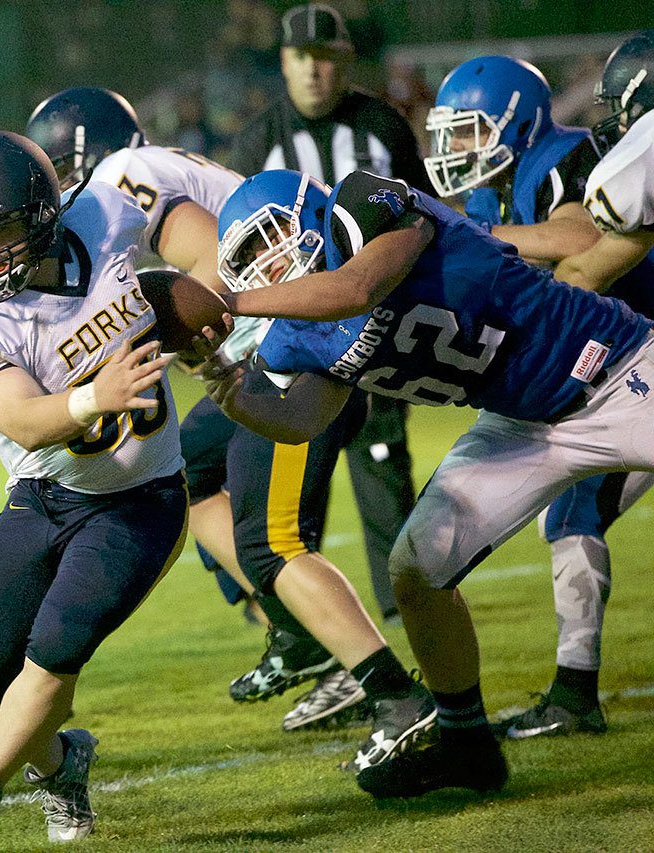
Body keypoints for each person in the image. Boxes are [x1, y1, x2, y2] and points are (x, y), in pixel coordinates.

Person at [206, 165, 654, 798]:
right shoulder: (293, 335)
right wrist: (236, 399)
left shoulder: (366, 204)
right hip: (519, 424)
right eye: (246, 258)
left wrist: (228, 304)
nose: (264, 263)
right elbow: (302, 420)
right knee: (417, 570)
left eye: (267, 237)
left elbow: (358, 288)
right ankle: (466, 746)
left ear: (306, 213)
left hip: (612, 370)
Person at [25, 85, 373, 731]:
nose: (61, 190)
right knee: (188, 478)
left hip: (292, 349)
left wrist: (149, 332)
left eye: (64, 168)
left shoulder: (122, 173)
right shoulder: (146, 169)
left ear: (92, 152)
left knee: (272, 542)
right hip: (266, 350)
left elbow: (215, 265)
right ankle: (301, 633)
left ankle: (372, 680)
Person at [0, 131, 187, 842]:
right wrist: (94, 395)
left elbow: (198, 252)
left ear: (43, 216)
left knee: (57, 642)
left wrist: (211, 313)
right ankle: (60, 765)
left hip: (141, 497)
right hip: (41, 495)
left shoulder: (107, 215)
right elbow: (24, 422)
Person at [425, 53, 654, 738]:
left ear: (517, 122)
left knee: (572, 510)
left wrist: (470, 239)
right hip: (606, 371)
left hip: (630, 368)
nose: (456, 147)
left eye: (469, 130)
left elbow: (579, 242)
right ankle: (573, 692)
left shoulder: (563, 160)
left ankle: (574, 695)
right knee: (570, 513)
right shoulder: (489, 197)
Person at [231, 1, 425, 622]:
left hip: (380, 328)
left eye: (324, 57)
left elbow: (423, 215)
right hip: (298, 343)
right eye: (301, 57)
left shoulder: (382, 126)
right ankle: (299, 620)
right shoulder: (258, 139)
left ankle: (405, 609)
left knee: (383, 472)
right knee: (296, 486)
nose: (313, 70)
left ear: (345, 61)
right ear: (283, 63)